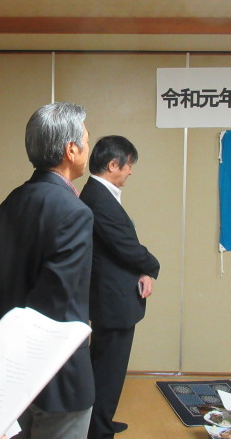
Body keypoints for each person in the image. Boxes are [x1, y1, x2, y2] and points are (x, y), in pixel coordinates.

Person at [0, 102, 95, 439]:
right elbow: (57, 299)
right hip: (57, 374)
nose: (87, 150)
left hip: (8, 367)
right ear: (71, 150)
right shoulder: (74, 211)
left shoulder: (11, 202)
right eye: (86, 142)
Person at [79, 135, 160, 439]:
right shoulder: (98, 198)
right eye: (128, 165)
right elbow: (125, 246)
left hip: (111, 295)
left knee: (103, 366)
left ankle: (100, 422)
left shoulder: (99, 194)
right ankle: (98, 430)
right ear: (113, 165)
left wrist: (143, 269)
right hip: (112, 300)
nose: (131, 171)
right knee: (108, 370)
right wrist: (151, 266)